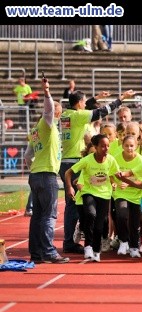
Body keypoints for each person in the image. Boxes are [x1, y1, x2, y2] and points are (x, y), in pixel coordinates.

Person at [59, 88, 135, 256]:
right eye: (84, 102)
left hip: (65, 160)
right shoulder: (78, 116)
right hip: (75, 161)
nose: (86, 105)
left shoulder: (66, 115)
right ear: (79, 104)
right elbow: (101, 111)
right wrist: (121, 98)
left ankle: (72, 239)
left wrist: (95, 98)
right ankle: (74, 241)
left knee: (73, 205)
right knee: (78, 205)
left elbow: (86, 106)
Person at [23, 77, 69, 264]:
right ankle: (49, 251)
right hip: (47, 175)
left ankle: (36, 253)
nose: (59, 115)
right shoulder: (47, 125)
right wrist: (47, 91)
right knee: (49, 216)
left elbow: (27, 155)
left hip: (35, 175)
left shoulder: (35, 131)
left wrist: (33, 169)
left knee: (38, 216)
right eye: (59, 112)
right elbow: (48, 109)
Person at [64, 134, 119, 262]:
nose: (106, 148)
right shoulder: (87, 160)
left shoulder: (111, 160)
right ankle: (87, 245)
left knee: (99, 225)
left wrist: (119, 182)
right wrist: (69, 187)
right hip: (88, 191)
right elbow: (68, 172)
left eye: (108, 146)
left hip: (104, 194)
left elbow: (115, 175)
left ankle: (96, 250)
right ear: (95, 147)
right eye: (102, 146)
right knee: (90, 213)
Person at [112, 135, 142, 258]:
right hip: (120, 194)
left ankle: (134, 247)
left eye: (132, 146)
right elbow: (112, 174)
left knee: (135, 222)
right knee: (121, 215)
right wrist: (114, 182)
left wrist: (129, 184)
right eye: (126, 145)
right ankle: (123, 241)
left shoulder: (140, 160)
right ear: (122, 146)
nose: (129, 148)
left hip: (136, 195)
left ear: (136, 146)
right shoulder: (116, 159)